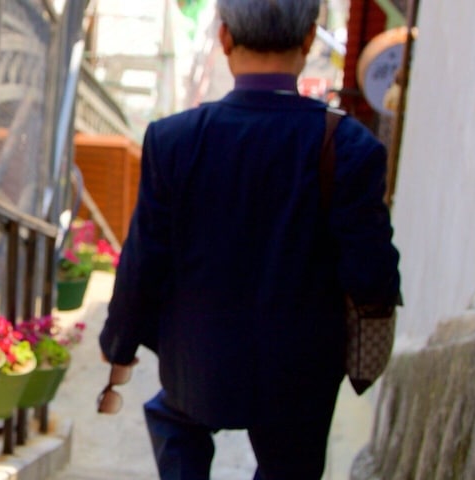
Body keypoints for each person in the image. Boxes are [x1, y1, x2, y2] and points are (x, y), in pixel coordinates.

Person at [94, 0, 402, 478]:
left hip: (198, 362)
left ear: (224, 38)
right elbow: (371, 275)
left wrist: (119, 341)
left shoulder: (173, 140)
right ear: (308, 41)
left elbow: (143, 261)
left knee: (173, 417)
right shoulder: (350, 147)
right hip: (300, 374)